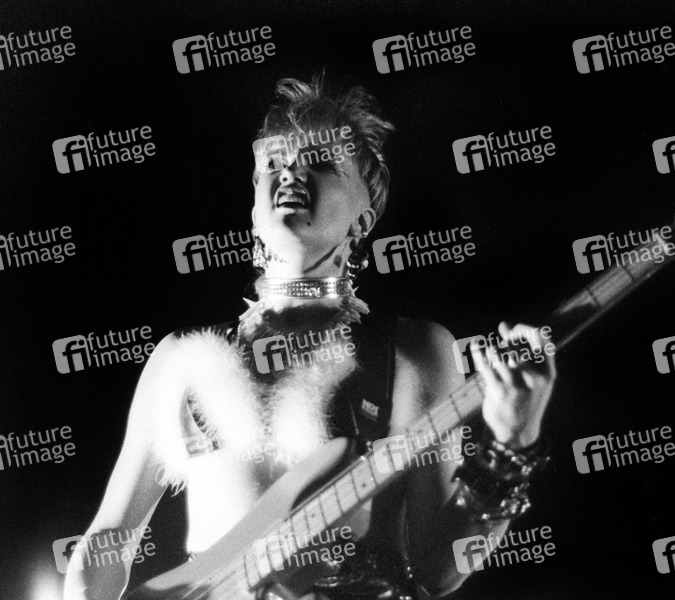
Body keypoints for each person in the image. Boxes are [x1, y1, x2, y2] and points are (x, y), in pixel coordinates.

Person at [63, 76, 557, 600]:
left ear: (364, 218)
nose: (291, 172)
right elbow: (110, 537)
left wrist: (512, 444)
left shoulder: (411, 353)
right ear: (254, 212)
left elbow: (441, 567)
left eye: (321, 162)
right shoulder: (182, 361)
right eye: (273, 164)